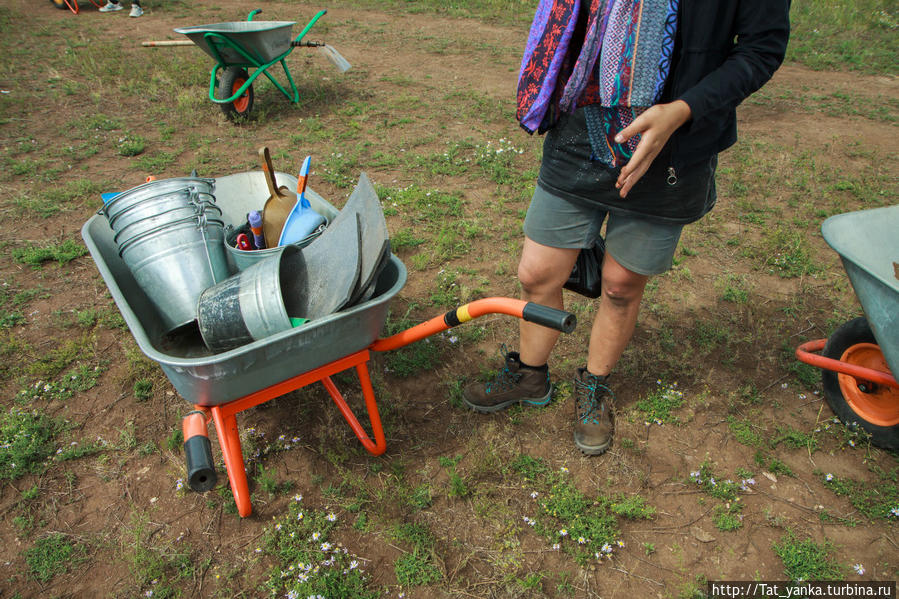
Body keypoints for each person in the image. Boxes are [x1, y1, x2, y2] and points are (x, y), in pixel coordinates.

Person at [463, 0, 791, 455]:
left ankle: (594, 384)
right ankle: (529, 374)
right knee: (537, 273)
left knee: (620, 286)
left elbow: (761, 50)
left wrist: (682, 109)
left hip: (673, 142)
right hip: (582, 123)